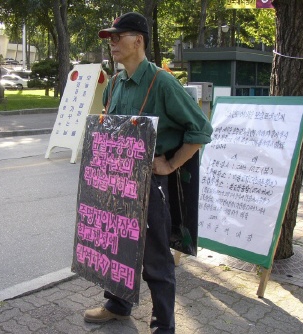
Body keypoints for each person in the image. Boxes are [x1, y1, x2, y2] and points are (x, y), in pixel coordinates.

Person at [83, 12, 213, 334]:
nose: (111, 43)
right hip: (117, 181)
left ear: (138, 40)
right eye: (109, 38)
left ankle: (163, 326)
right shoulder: (114, 84)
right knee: (116, 245)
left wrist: (170, 164)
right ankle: (117, 304)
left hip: (151, 184)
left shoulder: (163, 82)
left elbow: (200, 129)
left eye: (118, 36)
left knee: (155, 258)